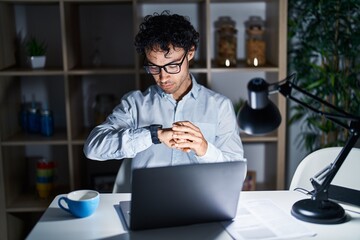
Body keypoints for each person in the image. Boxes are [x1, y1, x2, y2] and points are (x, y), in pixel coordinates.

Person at [83, 11, 246, 170]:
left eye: (172, 66)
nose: (162, 77)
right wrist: (154, 135)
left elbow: (238, 171)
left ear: (190, 53)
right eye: (154, 67)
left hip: (202, 197)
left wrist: (205, 149)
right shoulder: (135, 104)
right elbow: (93, 148)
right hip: (149, 197)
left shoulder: (220, 106)